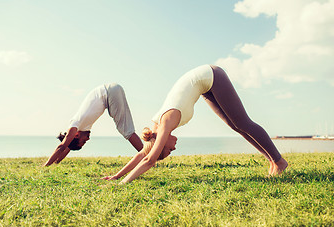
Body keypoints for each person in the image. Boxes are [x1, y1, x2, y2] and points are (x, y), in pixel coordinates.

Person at [102, 65, 288, 184]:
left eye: (167, 151)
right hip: (205, 84)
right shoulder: (156, 128)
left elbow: (149, 159)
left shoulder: (166, 122)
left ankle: (278, 161)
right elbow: (143, 153)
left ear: (162, 142)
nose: (172, 150)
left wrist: (123, 183)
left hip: (211, 75)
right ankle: (272, 160)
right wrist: (117, 175)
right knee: (235, 126)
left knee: (242, 122)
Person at [44, 83, 143, 166]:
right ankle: (149, 155)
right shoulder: (80, 128)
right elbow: (68, 147)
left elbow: (62, 146)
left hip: (109, 93)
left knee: (126, 130)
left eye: (84, 141)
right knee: (126, 128)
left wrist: (46, 165)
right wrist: (56, 162)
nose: (88, 139)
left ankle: (148, 156)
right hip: (111, 90)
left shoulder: (75, 124)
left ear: (76, 135)